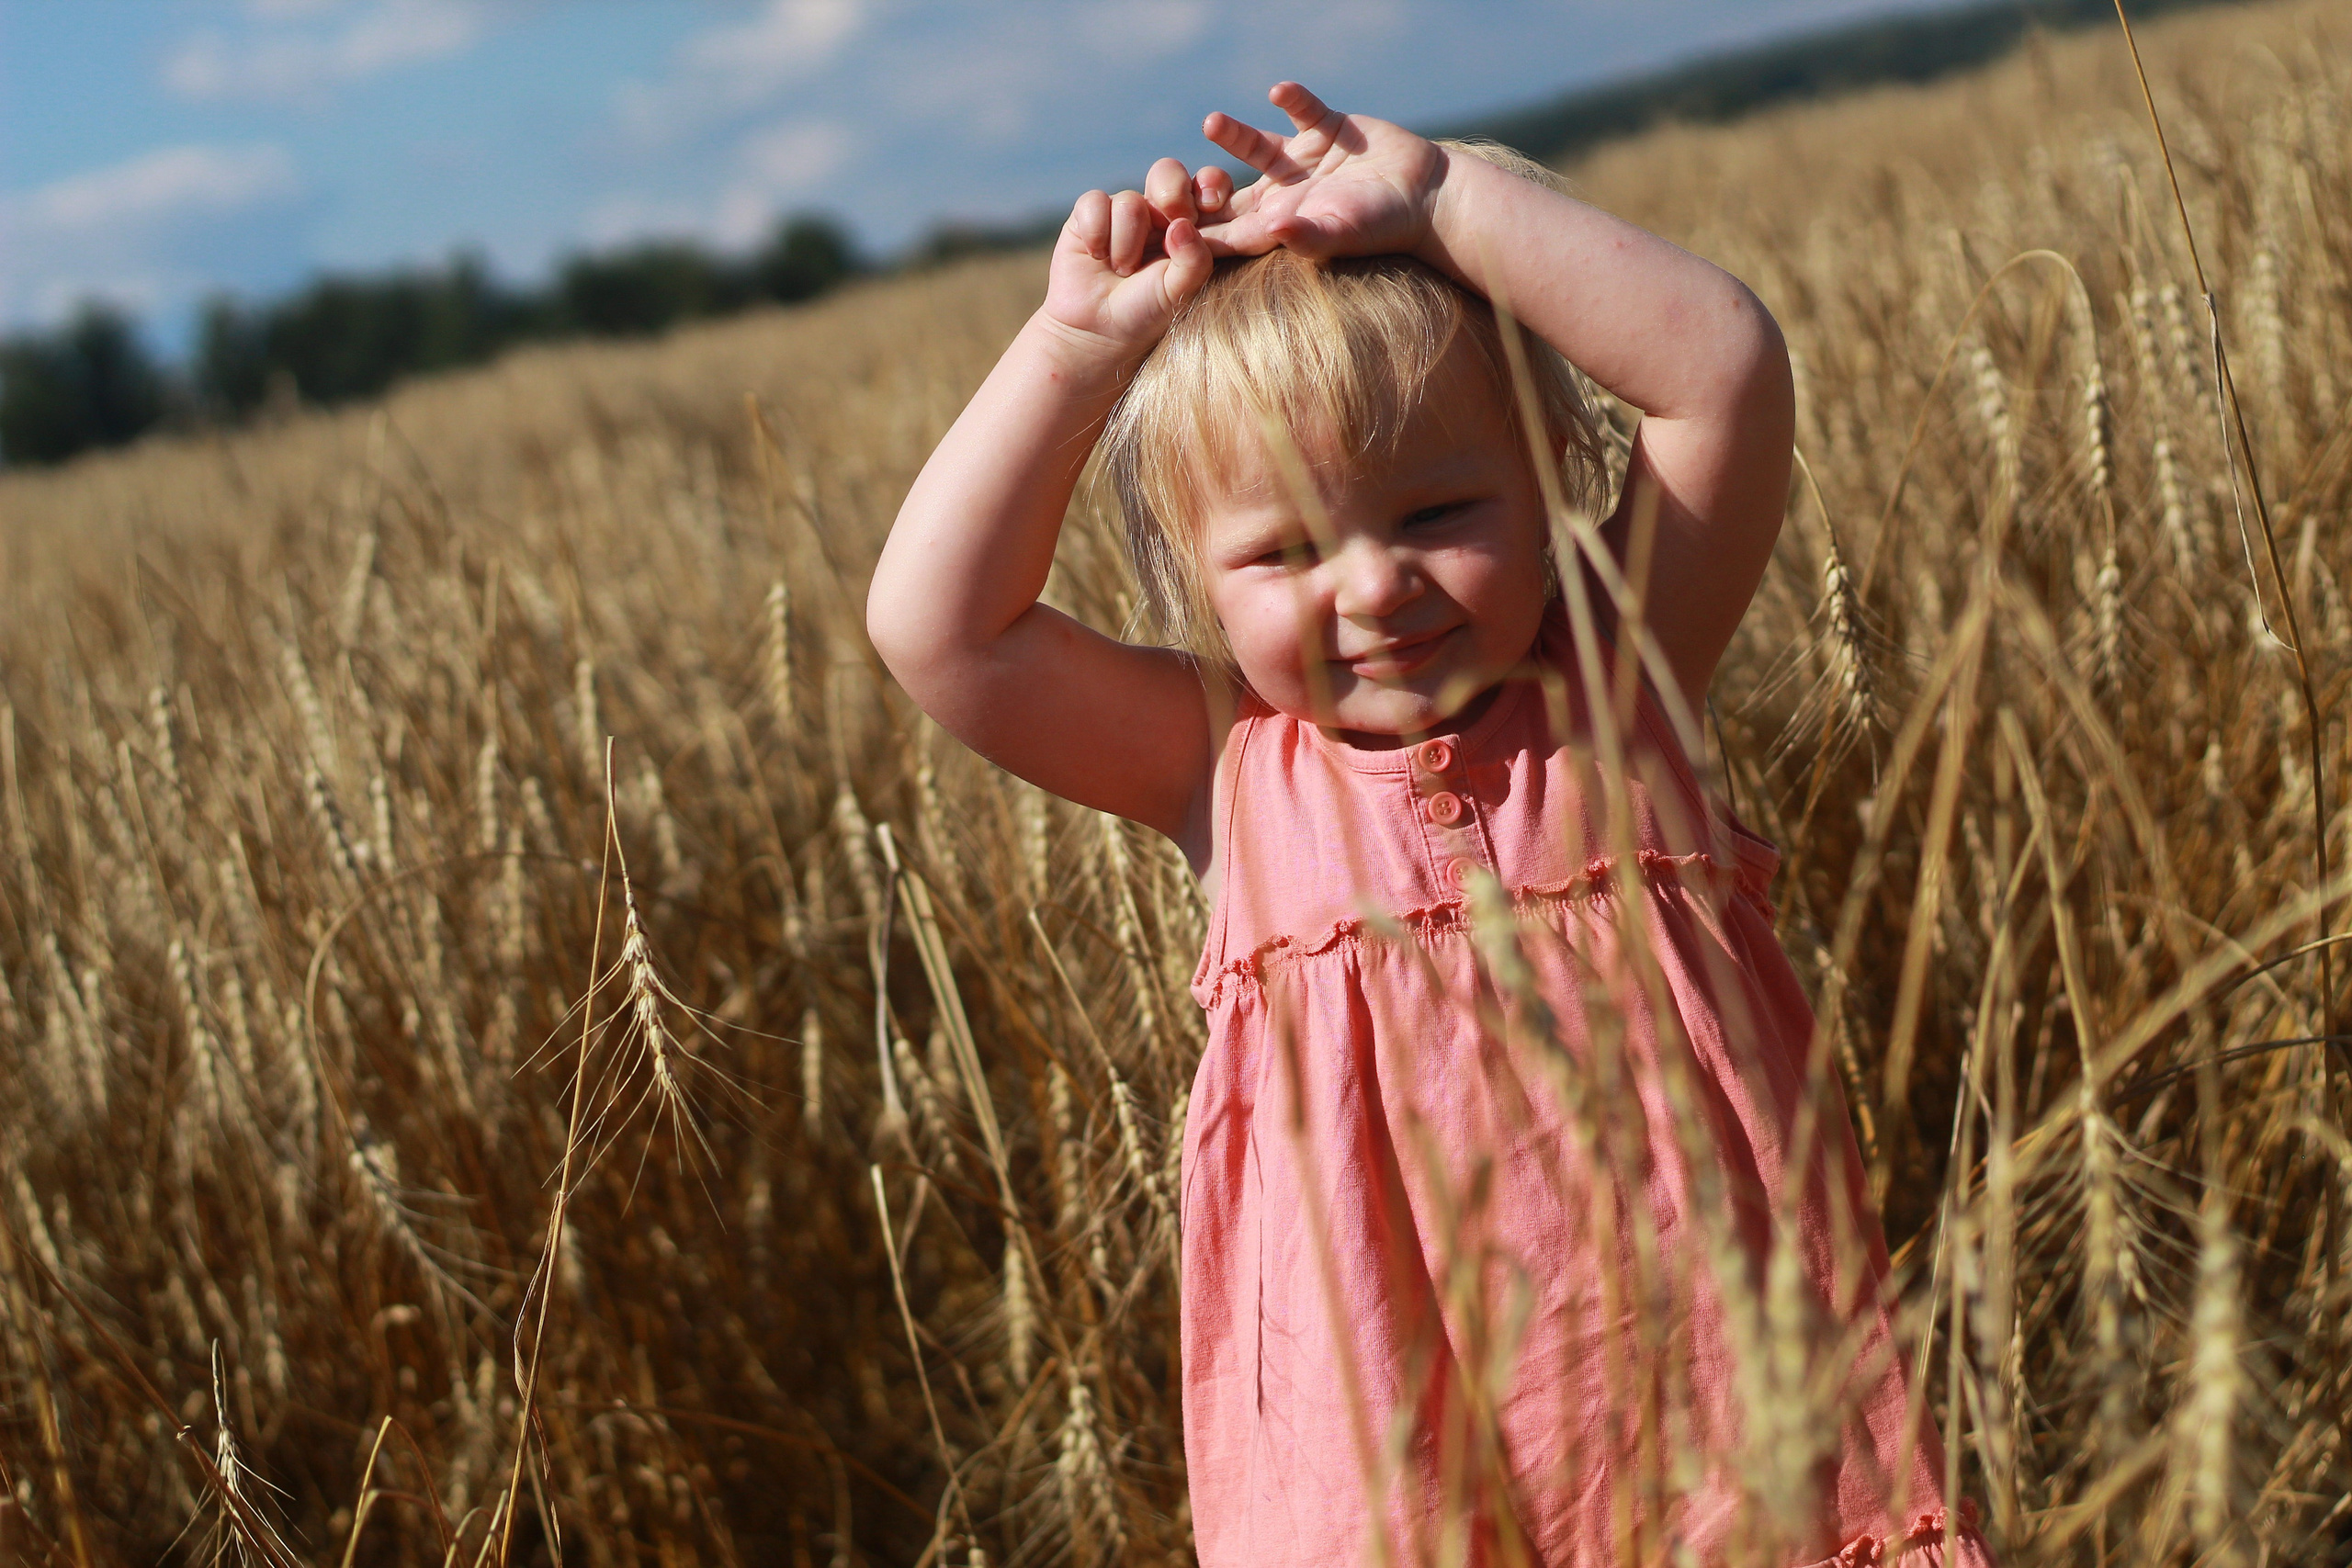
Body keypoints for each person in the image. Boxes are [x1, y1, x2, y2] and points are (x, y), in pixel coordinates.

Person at [868, 81, 1990, 1568]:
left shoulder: (1619, 673)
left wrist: (1445, 203)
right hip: (1391, 1474)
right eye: (1284, 552)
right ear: (1197, 582)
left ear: (1551, 484)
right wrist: (1077, 350)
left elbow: (1721, 371)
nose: (1373, 586)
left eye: (1437, 515)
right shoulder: (1223, 767)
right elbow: (939, 629)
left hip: (1728, 1437)